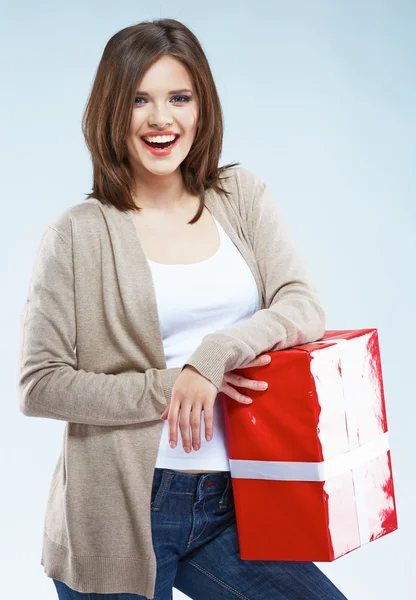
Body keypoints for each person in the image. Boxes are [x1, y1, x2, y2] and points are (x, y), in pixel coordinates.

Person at [18, 18, 348, 600]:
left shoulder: (238, 195)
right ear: (111, 111)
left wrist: (213, 357)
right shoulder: (75, 235)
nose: (161, 119)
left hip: (231, 501)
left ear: (202, 107)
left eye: (179, 97)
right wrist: (171, 387)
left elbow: (301, 304)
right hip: (120, 512)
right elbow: (39, 385)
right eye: (139, 100)